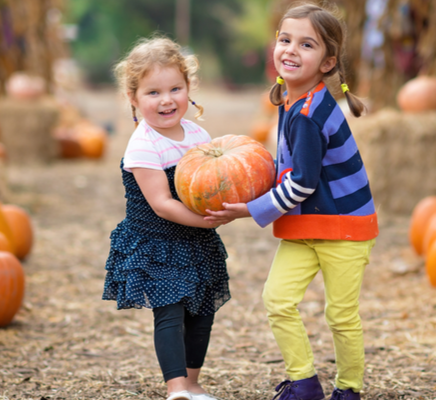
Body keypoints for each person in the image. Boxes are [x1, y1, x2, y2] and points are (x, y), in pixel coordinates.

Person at [205, 4, 378, 400]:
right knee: (277, 299)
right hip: (308, 226)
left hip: (345, 228)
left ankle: (348, 388)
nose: (291, 50)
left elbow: (302, 181)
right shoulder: (293, 102)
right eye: (285, 40)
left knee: (340, 314)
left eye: (307, 44)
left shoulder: (308, 114)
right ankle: (303, 383)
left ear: (328, 62)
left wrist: (250, 208)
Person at [102, 36, 230, 400]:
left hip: (196, 240)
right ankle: (176, 388)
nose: (167, 99)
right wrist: (205, 220)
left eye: (176, 88)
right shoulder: (144, 145)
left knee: (202, 313)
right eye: (153, 92)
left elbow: (213, 180)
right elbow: (161, 203)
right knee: (171, 314)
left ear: (189, 89)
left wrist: (227, 203)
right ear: (133, 98)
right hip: (157, 241)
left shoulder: (198, 135)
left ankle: (192, 382)